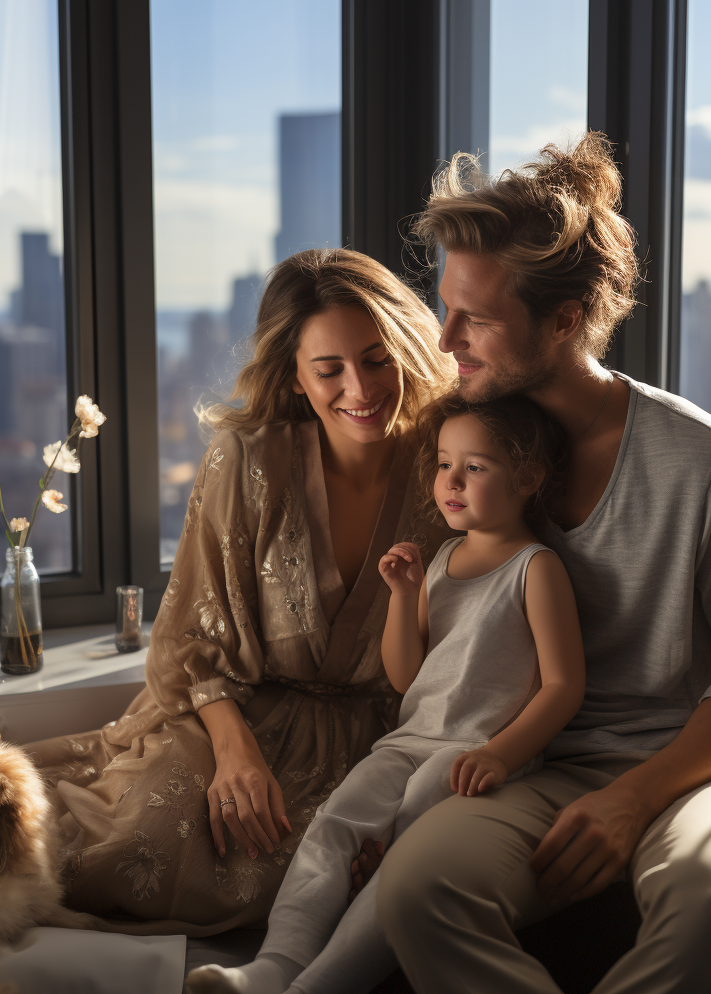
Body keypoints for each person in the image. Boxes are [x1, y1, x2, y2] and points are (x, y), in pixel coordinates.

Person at [374, 134, 711, 993]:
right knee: (417, 891)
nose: (445, 337)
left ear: (565, 322)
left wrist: (636, 796)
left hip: (696, 772)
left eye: (477, 319)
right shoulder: (471, 452)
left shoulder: (709, 461)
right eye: (444, 306)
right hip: (536, 768)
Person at [24, 248, 457, 936]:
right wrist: (233, 752)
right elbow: (191, 640)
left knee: (319, 877)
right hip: (236, 718)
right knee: (129, 848)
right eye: (329, 369)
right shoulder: (249, 459)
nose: (362, 388)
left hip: (385, 744)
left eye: (377, 358)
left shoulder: (451, 464)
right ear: (293, 378)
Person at [185, 393, 585, 994]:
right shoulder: (445, 558)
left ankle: (320, 983)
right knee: (333, 823)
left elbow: (564, 685)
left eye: (474, 468)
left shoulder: (536, 568)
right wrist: (404, 597)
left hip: (476, 752)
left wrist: (500, 754)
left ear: (526, 478)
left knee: (409, 837)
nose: (450, 481)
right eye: (444, 464)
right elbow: (406, 676)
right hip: (410, 740)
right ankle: (275, 966)